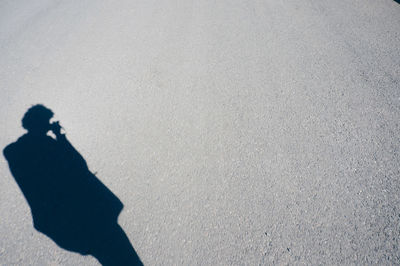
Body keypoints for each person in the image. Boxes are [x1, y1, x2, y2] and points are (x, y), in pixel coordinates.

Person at [3, 104, 143, 266]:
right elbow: (78, 166)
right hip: (84, 215)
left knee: (114, 257)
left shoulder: (20, 152)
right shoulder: (43, 147)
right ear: (39, 122)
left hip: (71, 221)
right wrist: (60, 137)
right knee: (123, 257)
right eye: (46, 121)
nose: (48, 124)